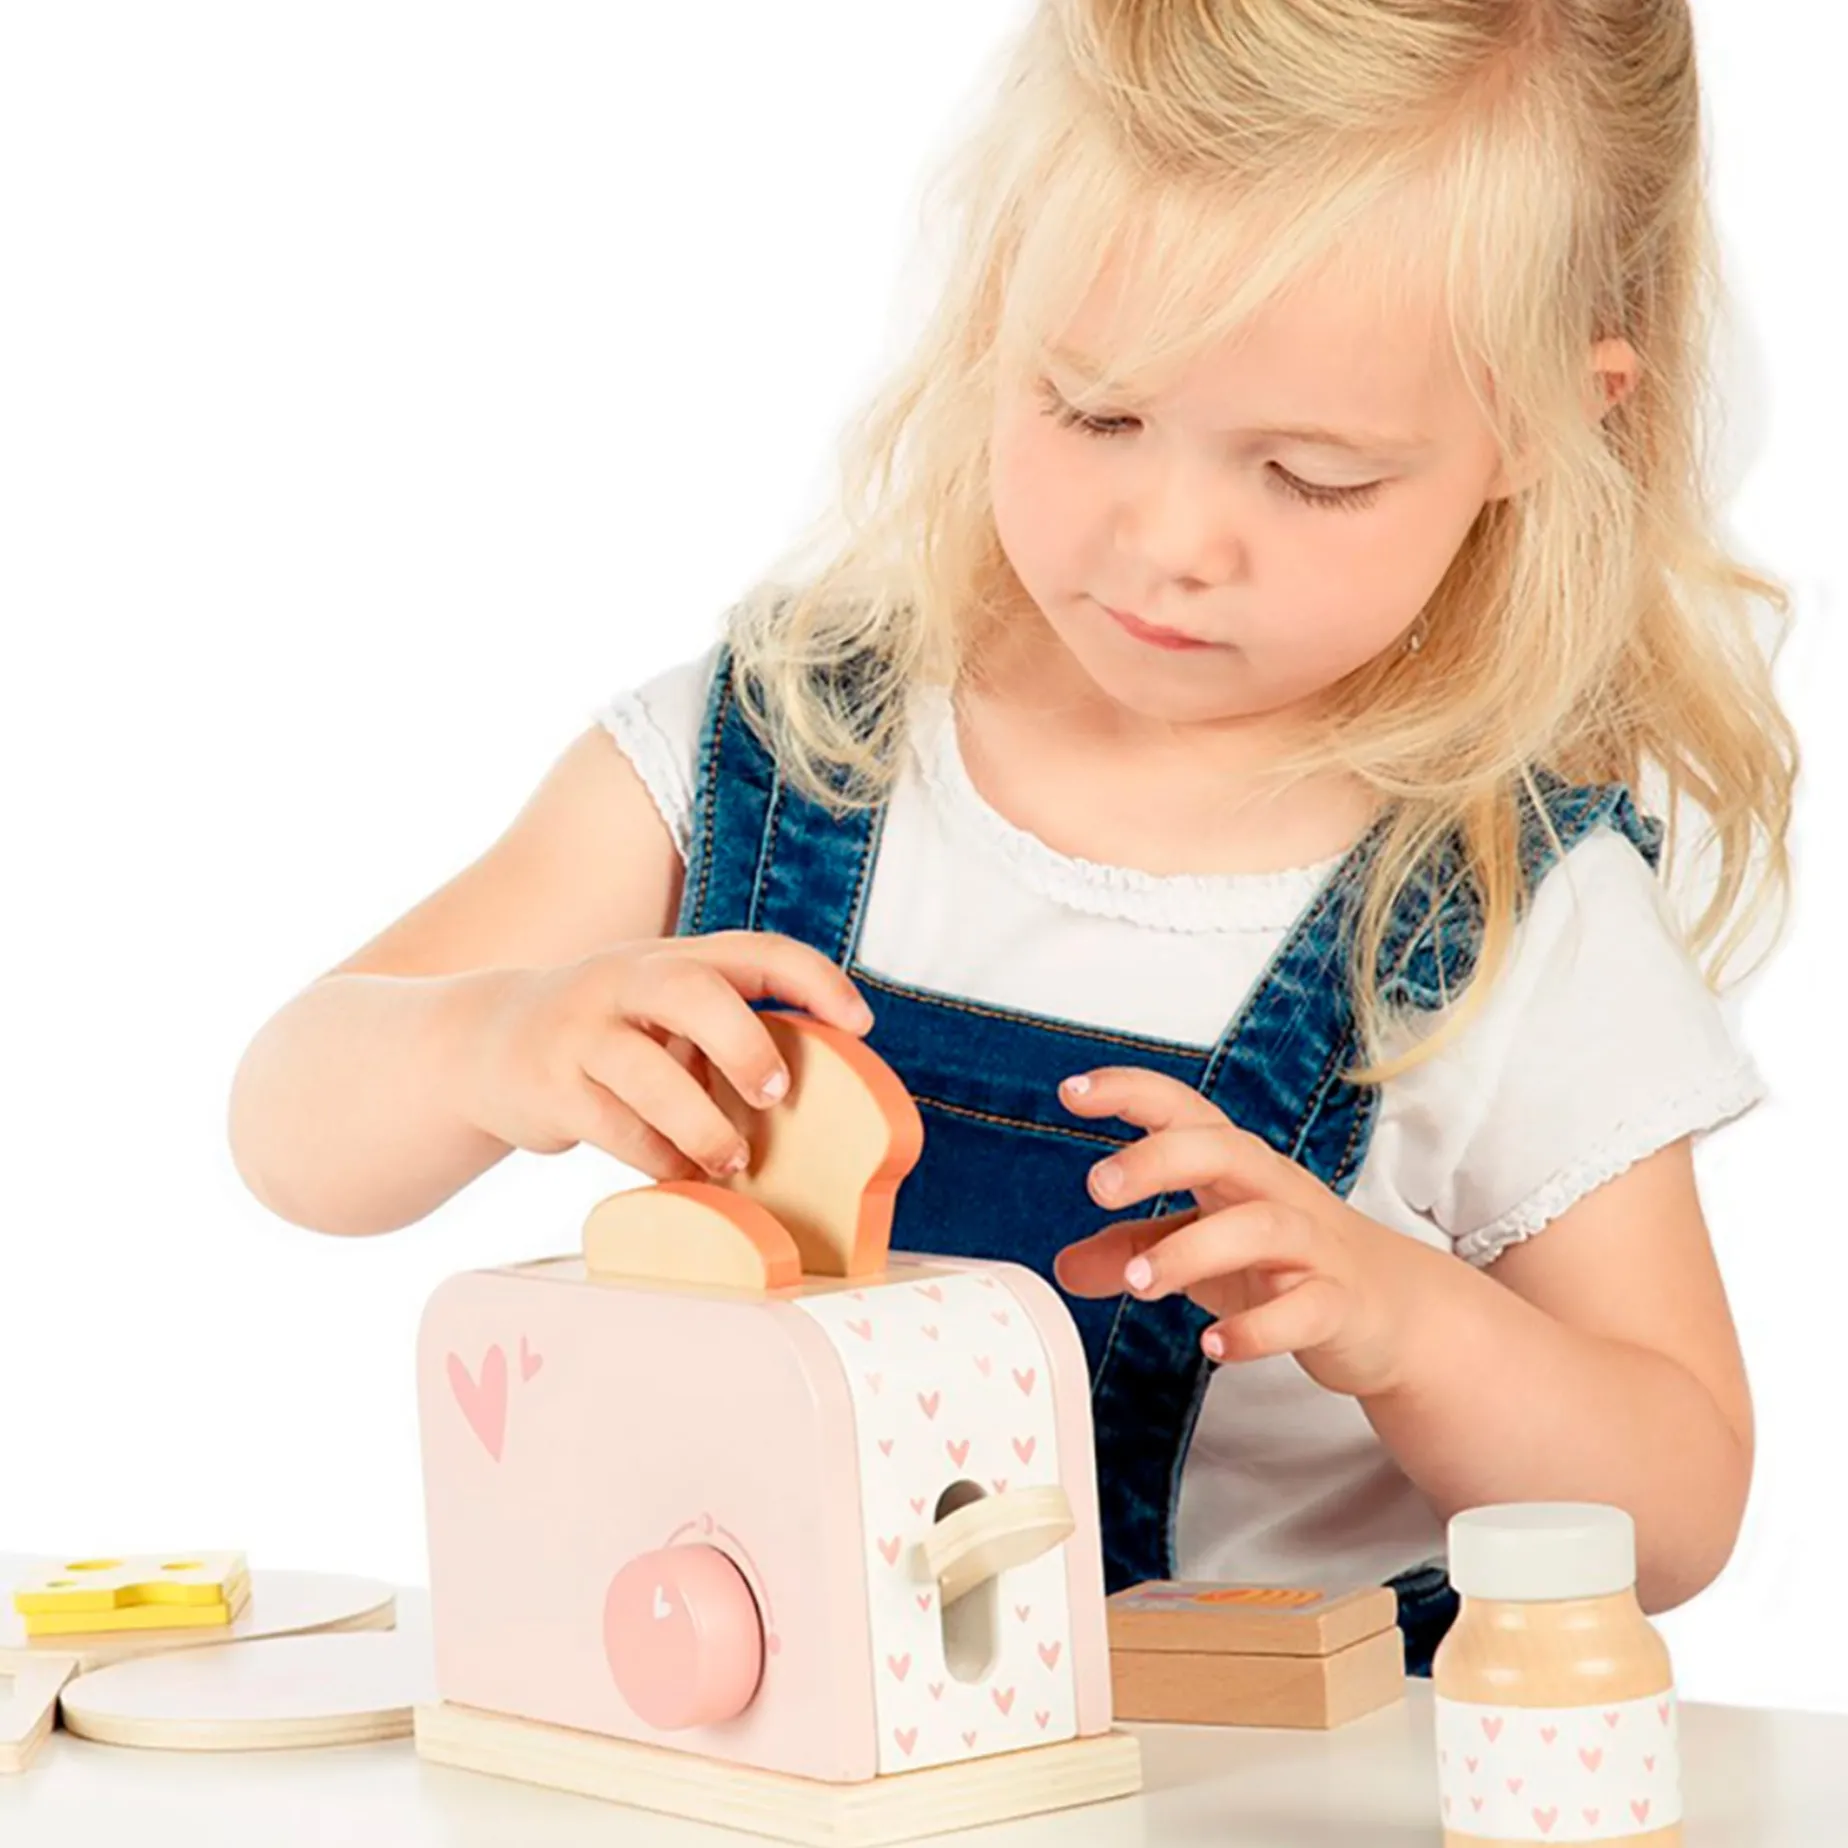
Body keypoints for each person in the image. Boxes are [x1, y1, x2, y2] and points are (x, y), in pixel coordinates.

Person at [227, 0, 1798, 1676]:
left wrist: (1411, 1327)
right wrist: (491, 1045)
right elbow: (291, 1133)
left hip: (1251, 1776)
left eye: (1311, 474)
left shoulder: (1507, 911)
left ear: (1550, 424)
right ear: (999, 310)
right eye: (1096, 412)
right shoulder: (784, 747)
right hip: (770, 1735)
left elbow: (1676, 1514)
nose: (1172, 540)